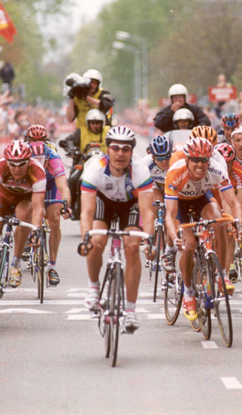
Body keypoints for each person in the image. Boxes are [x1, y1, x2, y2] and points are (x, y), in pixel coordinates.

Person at [79, 126, 154, 333]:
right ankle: (94, 289)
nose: (120, 153)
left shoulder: (139, 170)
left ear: (132, 151)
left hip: (130, 205)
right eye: (115, 148)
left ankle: (130, 310)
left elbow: (147, 212)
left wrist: (148, 240)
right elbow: (86, 211)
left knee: (131, 247)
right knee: (97, 242)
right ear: (108, 149)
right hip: (103, 203)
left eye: (125, 149)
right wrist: (86, 238)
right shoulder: (95, 167)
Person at [165, 137, 242, 321]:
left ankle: (221, 274)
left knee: (221, 222)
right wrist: (174, 235)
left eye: (204, 160)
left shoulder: (217, 170)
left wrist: (238, 223)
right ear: (187, 161)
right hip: (180, 205)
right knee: (189, 245)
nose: (200, 165)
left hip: (202, 198)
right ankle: (189, 293)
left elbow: (234, 202)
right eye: (195, 160)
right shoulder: (176, 173)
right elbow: (170, 215)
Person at [0, 141, 46, 306]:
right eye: (13, 165)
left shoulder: (38, 172)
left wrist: (36, 231)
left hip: (24, 200)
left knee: (24, 214)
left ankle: (15, 265)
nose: (17, 169)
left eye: (21, 164)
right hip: (2, 198)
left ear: (29, 162)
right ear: (7, 163)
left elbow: (38, 207)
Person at [26, 124, 72, 286]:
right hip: (30, 182)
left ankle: (52, 266)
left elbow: (63, 186)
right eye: (33, 140)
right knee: (26, 210)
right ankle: (27, 235)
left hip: (50, 183)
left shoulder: (52, 154)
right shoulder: (23, 152)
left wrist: (66, 204)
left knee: (54, 219)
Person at [61, 109, 110, 219]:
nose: (95, 126)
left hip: (106, 164)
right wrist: (71, 148)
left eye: (98, 123)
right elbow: (69, 140)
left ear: (102, 123)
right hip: (84, 163)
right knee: (72, 181)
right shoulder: (81, 131)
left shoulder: (109, 131)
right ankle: (72, 208)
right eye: (93, 123)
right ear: (88, 123)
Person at [215, 143, 242, 281]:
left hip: (228, 196)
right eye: (224, 164)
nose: (226, 168)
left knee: (229, 232)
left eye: (229, 164)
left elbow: (241, 200)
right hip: (211, 197)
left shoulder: (238, 171)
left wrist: (238, 223)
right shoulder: (211, 169)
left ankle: (227, 272)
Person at [143, 135, 176, 270]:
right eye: (159, 158)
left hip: (171, 186)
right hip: (155, 185)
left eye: (167, 157)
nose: (164, 161)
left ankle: (169, 248)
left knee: (170, 213)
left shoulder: (176, 161)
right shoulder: (146, 163)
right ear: (152, 157)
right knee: (157, 205)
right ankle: (151, 239)